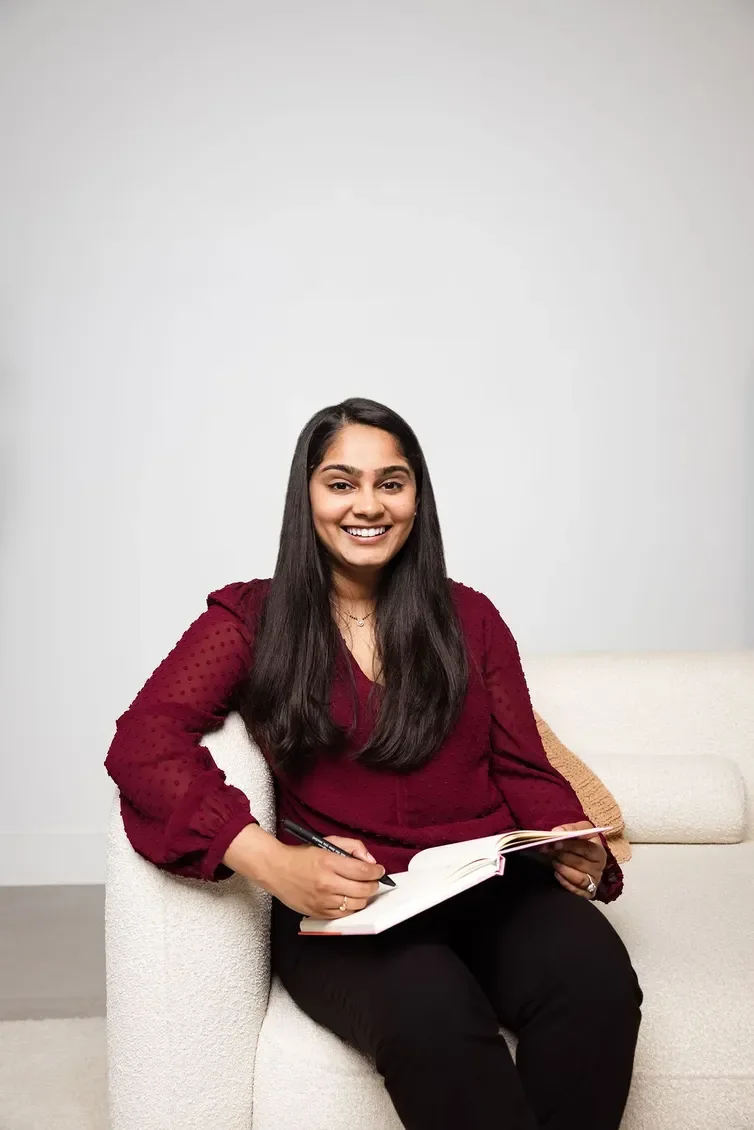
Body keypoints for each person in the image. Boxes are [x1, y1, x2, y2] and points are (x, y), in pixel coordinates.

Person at [105, 396, 642, 1130]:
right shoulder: (249, 619)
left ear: (417, 499)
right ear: (308, 497)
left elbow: (522, 767)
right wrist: (266, 859)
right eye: (342, 482)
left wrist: (567, 842)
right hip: (353, 910)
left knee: (598, 984)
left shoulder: (472, 618)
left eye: (391, 482)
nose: (368, 504)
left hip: (489, 886)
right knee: (435, 1015)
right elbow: (142, 742)